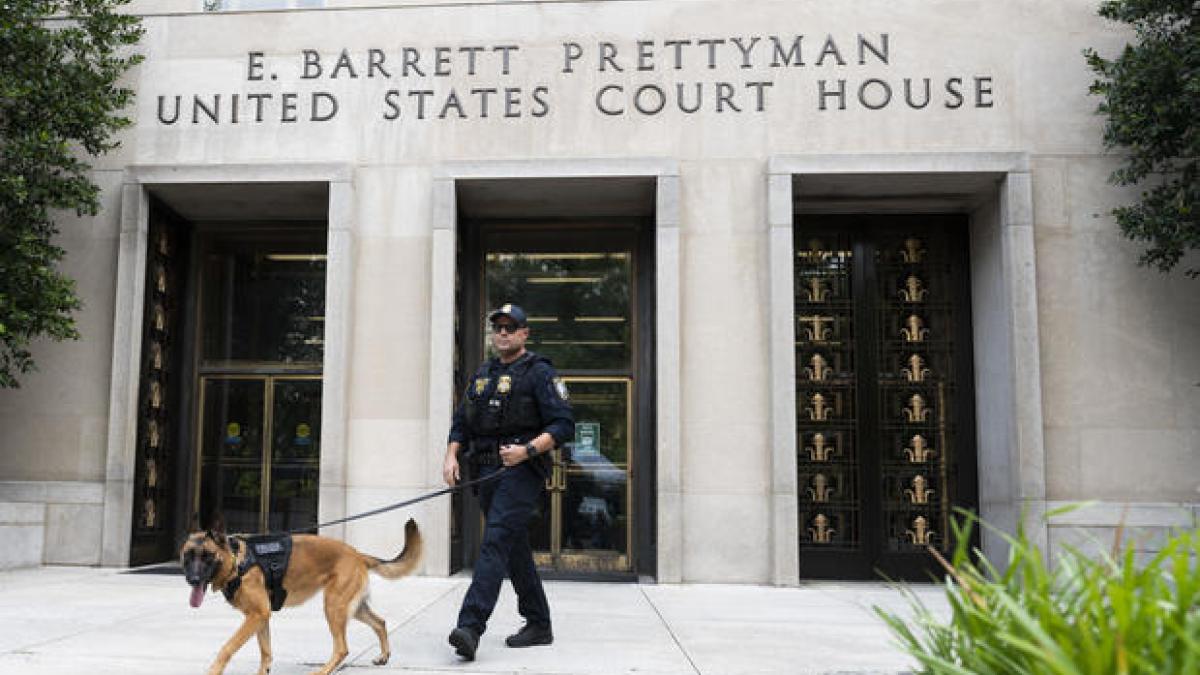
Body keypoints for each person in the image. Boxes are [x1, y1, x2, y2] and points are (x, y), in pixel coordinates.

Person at [443, 303, 574, 661]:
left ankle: (470, 627)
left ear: (524, 333)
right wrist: (451, 454)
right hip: (484, 471)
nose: (503, 333)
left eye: (510, 327)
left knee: (495, 541)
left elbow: (563, 425)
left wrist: (527, 450)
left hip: (521, 470)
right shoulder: (483, 373)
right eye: (498, 327)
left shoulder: (539, 372)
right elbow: (461, 422)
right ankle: (539, 623)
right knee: (512, 546)